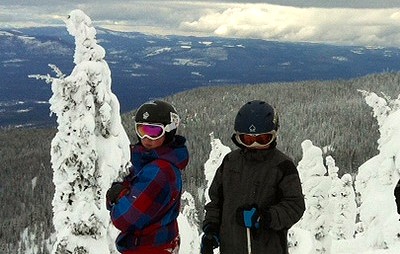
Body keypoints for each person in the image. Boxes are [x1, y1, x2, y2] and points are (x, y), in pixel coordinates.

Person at [200, 100, 305, 254]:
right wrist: (211, 229)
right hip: (231, 247)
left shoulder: (282, 165)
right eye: (248, 139)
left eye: (262, 139)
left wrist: (265, 218)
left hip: (268, 248)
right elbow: (216, 201)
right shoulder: (230, 162)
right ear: (238, 138)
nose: (255, 144)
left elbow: (295, 206)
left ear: (274, 135)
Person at [106, 100, 189, 254]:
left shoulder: (160, 171)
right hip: (154, 245)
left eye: (153, 132)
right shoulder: (149, 163)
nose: (146, 138)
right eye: (141, 130)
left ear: (169, 131)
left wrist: (117, 197)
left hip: (148, 248)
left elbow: (125, 218)